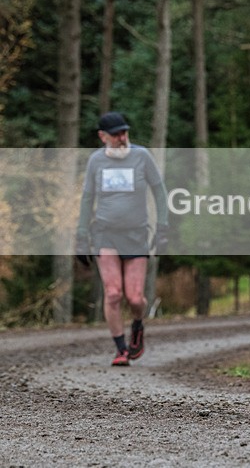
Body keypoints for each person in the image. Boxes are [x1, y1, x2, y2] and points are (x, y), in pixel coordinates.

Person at [75, 112, 169, 366]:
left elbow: (160, 192)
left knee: (135, 297)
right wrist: (81, 236)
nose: (122, 138)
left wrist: (162, 229)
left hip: (136, 233)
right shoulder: (96, 161)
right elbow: (87, 199)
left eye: (124, 132)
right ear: (102, 136)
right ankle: (121, 349)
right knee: (114, 293)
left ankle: (137, 326)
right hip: (105, 233)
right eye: (116, 134)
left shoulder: (141, 156)